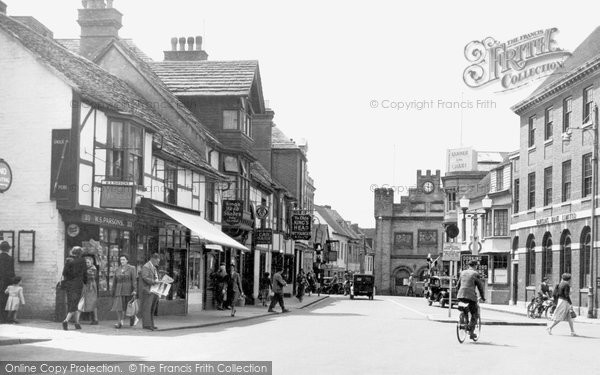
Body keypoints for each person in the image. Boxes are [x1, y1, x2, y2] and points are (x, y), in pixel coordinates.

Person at [456, 260, 485, 340]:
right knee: (474, 314)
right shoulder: (475, 274)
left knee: (465, 310)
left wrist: (457, 295)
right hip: (471, 296)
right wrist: (482, 297)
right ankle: (471, 332)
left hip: (460, 295)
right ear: (475, 266)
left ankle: (463, 321)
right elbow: (480, 287)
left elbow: (457, 286)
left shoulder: (462, 273)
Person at [61, 246, 87, 330]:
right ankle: (66, 320)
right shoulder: (82, 261)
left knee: (71, 302)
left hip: (69, 284)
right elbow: (85, 273)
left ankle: (77, 323)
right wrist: (85, 282)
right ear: (80, 253)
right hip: (78, 283)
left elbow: (64, 273)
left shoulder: (68, 260)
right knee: (75, 303)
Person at [110, 254, 138, 328]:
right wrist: (113, 291)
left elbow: (134, 280)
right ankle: (119, 322)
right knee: (119, 307)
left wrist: (135, 290)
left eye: (123, 259)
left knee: (128, 307)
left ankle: (133, 318)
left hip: (128, 289)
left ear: (127, 260)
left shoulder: (132, 268)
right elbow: (114, 281)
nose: (122, 261)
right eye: (121, 259)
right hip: (118, 290)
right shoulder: (117, 269)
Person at [139, 253, 161, 331]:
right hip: (147, 290)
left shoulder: (153, 267)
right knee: (147, 308)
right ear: (153, 259)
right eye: (157, 261)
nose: (158, 263)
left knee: (152, 308)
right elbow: (145, 277)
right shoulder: (146, 266)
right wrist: (154, 282)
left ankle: (151, 324)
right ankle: (147, 325)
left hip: (154, 290)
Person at [79, 256, 99, 325]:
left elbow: (90, 276)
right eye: (85, 262)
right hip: (85, 286)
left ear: (91, 262)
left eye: (88, 262)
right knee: (82, 301)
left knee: (92, 302)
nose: (87, 263)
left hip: (90, 286)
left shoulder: (93, 268)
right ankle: (77, 318)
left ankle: (95, 319)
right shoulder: (86, 268)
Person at [0, 241, 15, 323]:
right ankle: (4, 318)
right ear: (8, 249)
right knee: (5, 300)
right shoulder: (10, 259)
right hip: (7, 283)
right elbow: (12, 272)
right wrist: (13, 282)